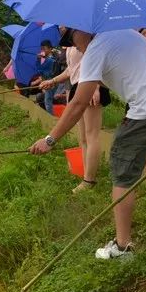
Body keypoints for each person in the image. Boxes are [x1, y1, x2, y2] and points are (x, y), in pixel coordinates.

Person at [29, 27, 146, 260]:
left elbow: (78, 104)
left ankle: (122, 246)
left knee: (122, 172)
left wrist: (50, 140)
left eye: (71, 38)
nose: (72, 45)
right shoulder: (125, 32)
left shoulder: (95, 49)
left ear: (83, 30)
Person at [40, 38, 111, 193]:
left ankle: (89, 180)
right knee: (83, 137)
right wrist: (53, 80)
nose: (61, 27)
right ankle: (86, 176)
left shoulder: (88, 39)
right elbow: (71, 70)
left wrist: (97, 88)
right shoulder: (72, 46)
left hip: (90, 87)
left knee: (92, 135)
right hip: (77, 87)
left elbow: (98, 64)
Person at [37, 40, 57, 114]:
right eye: (41, 49)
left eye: (44, 49)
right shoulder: (45, 58)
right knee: (47, 100)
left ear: (50, 49)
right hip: (47, 81)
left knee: (48, 101)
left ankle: (51, 117)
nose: (42, 51)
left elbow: (43, 71)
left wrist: (39, 60)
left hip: (52, 82)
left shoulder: (51, 60)